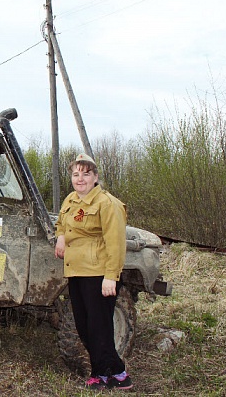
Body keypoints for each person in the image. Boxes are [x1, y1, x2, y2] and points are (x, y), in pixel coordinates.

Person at [54, 153, 133, 391]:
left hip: (98, 273)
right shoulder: (71, 199)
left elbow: (116, 244)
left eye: (86, 174)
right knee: (84, 326)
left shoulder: (107, 204)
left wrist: (111, 277)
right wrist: (61, 237)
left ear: (95, 177)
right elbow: (61, 222)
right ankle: (112, 372)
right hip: (76, 271)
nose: (80, 179)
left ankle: (106, 374)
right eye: (76, 174)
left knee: (99, 327)